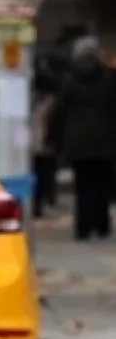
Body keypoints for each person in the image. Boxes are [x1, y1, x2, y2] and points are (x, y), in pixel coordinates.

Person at [46, 35, 116, 241]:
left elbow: (59, 112)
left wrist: (53, 139)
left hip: (78, 142)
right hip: (105, 141)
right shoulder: (110, 79)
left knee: (83, 185)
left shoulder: (70, 80)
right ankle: (101, 225)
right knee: (102, 185)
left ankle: (83, 227)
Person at [30, 58, 60, 218]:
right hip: (46, 142)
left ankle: (37, 204)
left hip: (33, 142)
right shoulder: (52, 102)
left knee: (36, 173)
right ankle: (43, 201)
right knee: (44, 174)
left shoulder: (29, 101)